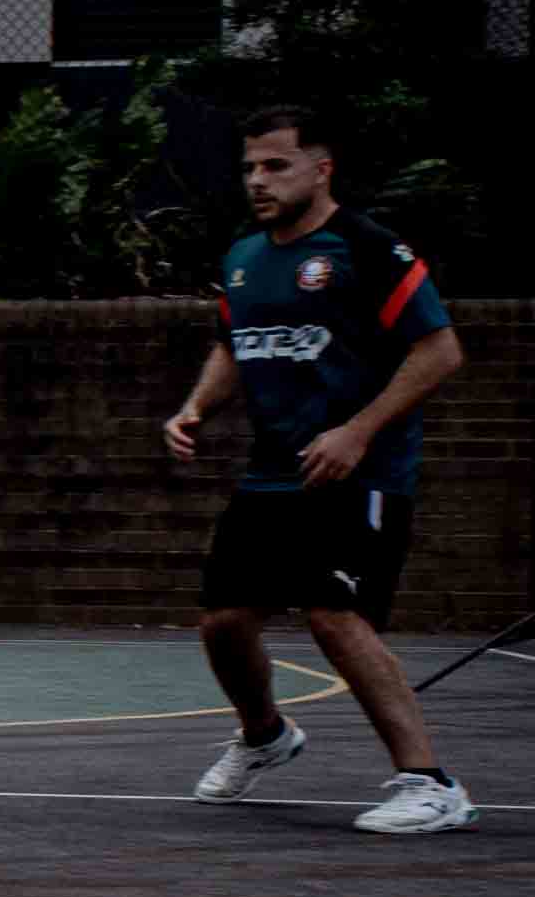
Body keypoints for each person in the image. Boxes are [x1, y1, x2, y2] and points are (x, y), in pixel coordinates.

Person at [163, 101, 473, 837]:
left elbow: (440, 352)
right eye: (249, 168)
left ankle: (431, 784)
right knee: (224, 623)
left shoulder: (366, 248)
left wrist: (358, 431)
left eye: (276, 165)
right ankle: (266, 736)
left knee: (337, 617)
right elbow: (233, 345)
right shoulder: (243, 258)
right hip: (273, 474)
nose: (258, 181)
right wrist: (195, 408)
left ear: (321, 168)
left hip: (358, 475)